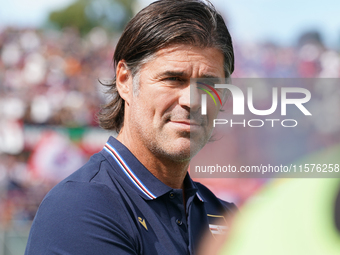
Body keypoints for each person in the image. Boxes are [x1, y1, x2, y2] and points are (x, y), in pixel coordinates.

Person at [24, 0, 237, 254]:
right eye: (173, 79)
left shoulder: (227, 216)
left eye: (208, 84)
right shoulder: (79, 207)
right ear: (125, 80)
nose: (191, 100)